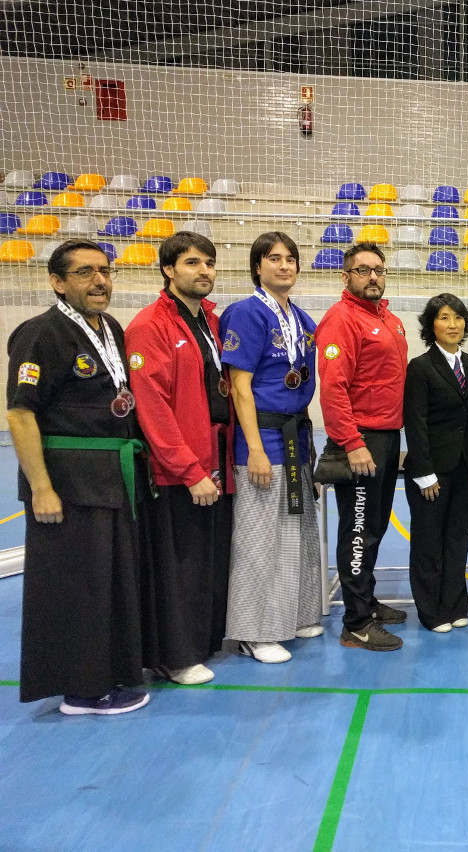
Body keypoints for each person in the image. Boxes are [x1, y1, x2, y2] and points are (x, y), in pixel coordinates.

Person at [6, 240, 150, 715]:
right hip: (68, 483)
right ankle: (83, 691)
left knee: (106, 585)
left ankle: (107, 674)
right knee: (77, 589)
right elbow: (21, 414)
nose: (99, 281)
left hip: (108, 479)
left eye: (104, 271)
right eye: (85, 272)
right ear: (57, 282)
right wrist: (42, 488)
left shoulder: (109, 328)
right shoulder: (40, 333)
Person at [125, 231, 232, 686]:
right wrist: (188, 470)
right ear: (168, 270)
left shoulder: (211, 320)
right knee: (179, 565)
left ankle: (202, 642)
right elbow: (152, 408)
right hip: (177, 471)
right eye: (192, 263)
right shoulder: (150, 326)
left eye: (209, 262)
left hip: (216, 458)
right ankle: (174, 655)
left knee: (208, 559)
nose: (204, 271)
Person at [219, 232, 323, 664]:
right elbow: (239, 387)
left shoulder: (304, 320)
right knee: (259, 537)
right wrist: (255, 449)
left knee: (297, 532)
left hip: (296, 437)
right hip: (261, 438)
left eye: (290, 259)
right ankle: (253, 632)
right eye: (274, 258)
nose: (284, 266)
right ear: (257, 267)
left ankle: (294, 615)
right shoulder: (245, 314)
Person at [315, 241, 408, 652]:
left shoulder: (388, 319)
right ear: (346, 276)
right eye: (363, 270)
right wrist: (352, 443)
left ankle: (365, 601)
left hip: (387, 437)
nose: (373, 276)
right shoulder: (341, 319)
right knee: (358, 532)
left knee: (375, 527)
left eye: (378, 270)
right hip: (360, 440)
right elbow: (333, 389)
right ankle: (355, 624)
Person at [403, 293, 468, 633]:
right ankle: (431, 611)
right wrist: (424, 473)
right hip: (431, 473)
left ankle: (455, 605)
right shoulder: (420, 367)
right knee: (428, 543)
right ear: (431, 325)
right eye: (444, 317)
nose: (453, 324)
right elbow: (415, 423)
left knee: (457, 540)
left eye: (458, 317)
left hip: (465, 470)